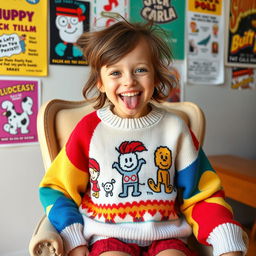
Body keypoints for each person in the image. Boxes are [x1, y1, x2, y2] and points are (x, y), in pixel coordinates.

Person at [39, 20, 247, 256]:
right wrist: (73, 237)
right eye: (115, 72)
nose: (129, 81)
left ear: (156, 77)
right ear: (100, 82)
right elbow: (57, 189)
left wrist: (224, 237)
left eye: (140, 69)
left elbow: (203, 195)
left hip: (168, 236)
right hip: (108, 236)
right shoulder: (89, 129)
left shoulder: (175, 129)